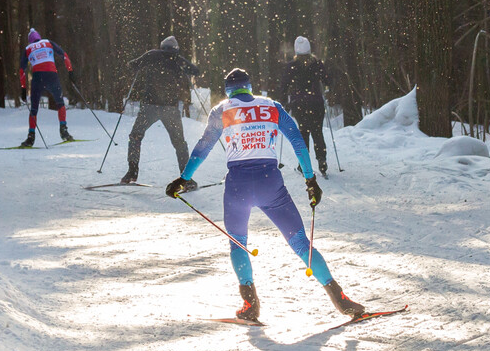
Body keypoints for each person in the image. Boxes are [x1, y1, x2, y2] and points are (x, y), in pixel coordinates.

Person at [166, 68, 365, 322]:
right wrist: (310, 179)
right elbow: (297, 142)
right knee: (301, 242)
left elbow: (203, 147)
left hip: (238, 186)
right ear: (249, 87)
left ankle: (250, 304)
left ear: (228, 90)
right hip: (270, 183)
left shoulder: (222, 110)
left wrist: (184, 178)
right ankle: (341, 299)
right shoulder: (271, 106)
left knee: (238, 242)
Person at [120, 36, 201, 185]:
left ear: (162, 47)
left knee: (136, 136)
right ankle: (186, 178)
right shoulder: (177, 59)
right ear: (175, 49)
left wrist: (139, 66)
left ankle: (132, 172)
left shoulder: (152, 55)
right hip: (170, 109)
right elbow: (195, 71)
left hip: (149, 107)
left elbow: (132, 65)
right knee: (179, 143)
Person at [277, 35, 331, 177]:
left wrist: (283, 101)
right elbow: (327, 80)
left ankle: (303, 165)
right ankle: (322, 160)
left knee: (303, 132)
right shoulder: (317, 64)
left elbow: (284, 85)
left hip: (299, 104)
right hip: (316, 103)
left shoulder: (292, 66)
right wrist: (326, 87)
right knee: (317, 131)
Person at [19, 28, 74, 145]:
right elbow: (64, 55)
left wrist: (23, 88)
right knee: (60, 102)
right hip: (51, 75)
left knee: (34, 108)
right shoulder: (48, 42)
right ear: (39, 37)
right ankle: (64, 130)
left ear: (30, 41)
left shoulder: (28, 49)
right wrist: (70, 71)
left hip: (38, 77)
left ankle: (31, 137)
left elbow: (21, 70)